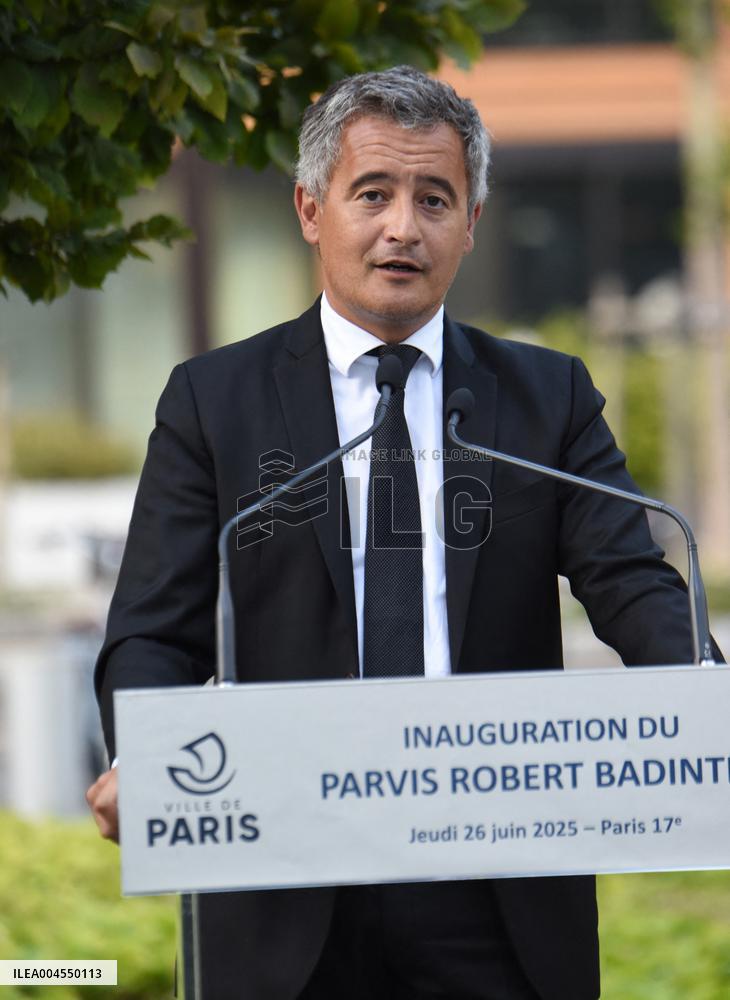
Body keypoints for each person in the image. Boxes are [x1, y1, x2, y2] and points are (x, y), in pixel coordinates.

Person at [87, 66, 707, 1000]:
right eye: (372, 194)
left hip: (492, 882)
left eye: (435, 199)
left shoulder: (549, 397)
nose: (403, 228)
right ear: (311, 210)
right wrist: (144, 758)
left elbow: (631, 580)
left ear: (473, 222)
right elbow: (152, 631)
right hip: (283, 876)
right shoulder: (214, 401)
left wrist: (707, 697)